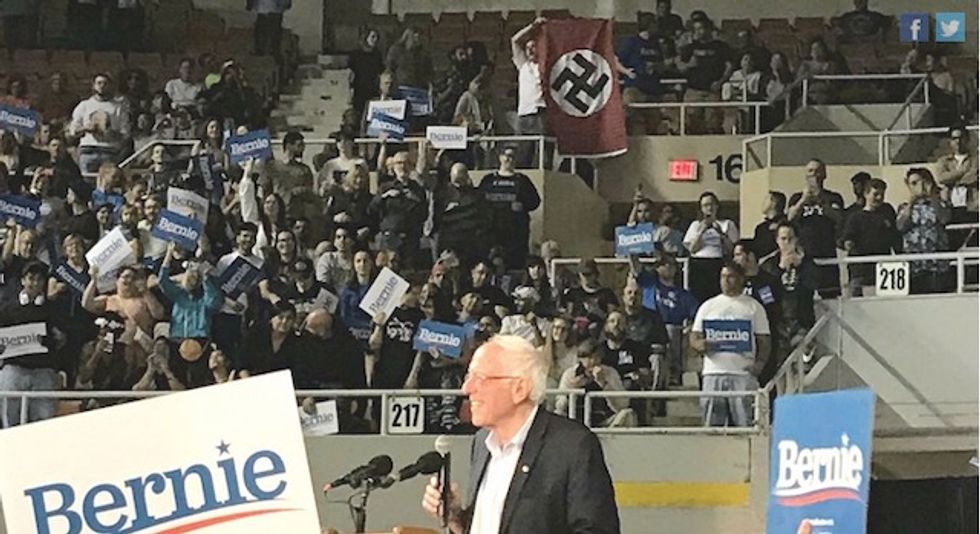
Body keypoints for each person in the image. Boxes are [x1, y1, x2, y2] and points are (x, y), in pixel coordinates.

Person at [421, 335, 621, 533]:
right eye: (468, 377)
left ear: (520, 389)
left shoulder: (572, 445)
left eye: (480, 378)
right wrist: (457, 519)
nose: (467, 388)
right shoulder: (482, 443)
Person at [690, 262, 771, 427]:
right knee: (712, 425)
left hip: (742, 374)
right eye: (723, 277)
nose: (726, 281)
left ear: (741, 279)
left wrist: (760, 365)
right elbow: (694, 336)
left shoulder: (754, 307)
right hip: (713, 373)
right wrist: (700, 344)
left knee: (745, 424)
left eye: (731, 276)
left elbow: (764, 340)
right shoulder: (707, 306)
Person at [0, 262, 63, 426]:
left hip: (44, 369)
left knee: (44, 422)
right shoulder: (6, 308)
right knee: (10, 419)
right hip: (13, 369)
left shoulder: (54, 308)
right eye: (31, 278)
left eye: (39, 279)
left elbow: (60, 339)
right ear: (23, 280)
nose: (34, 283)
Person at [787, 158, 845, 297]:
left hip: (827, 254)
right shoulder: (796, 198)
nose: (814, 174)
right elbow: (790, 218)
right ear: (806, 174)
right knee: (803, 295)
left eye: (818, 171)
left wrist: (821, 200)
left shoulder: (833, 197)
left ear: (824, 174)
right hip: (804, 256)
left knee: (830, 297)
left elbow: (839, 218)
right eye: (811, 171)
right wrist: (803, 200)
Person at [479, 147, 541, 269]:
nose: (509, 159)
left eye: (512, 156)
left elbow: (535, 201)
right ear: (500, 157)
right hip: (491, 234)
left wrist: (523, 205)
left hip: (516, 236)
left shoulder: (523, 180)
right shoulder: (488, 180)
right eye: (506, 155)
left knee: (515, 267)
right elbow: (478, 201)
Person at [761, 223, 818, 354]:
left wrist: (801, 268)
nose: (787, 243)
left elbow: (813, 285)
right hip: (777, 322)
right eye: (783, 239)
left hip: (802, 320)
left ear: (797, 239)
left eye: (791, 238)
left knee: (804, 361)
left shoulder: (808, 263)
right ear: (777, 241)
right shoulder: (769, 265)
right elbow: (764, 293)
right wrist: (780, 269)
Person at [897, 168, 953, 294]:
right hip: (914, 266)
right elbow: (901, 226)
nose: (916, 187)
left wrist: (932, 197)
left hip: (937, 265)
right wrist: (911, 202)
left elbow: (944, 218)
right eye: (912, 183)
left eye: (918, 182)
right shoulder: (904, 207)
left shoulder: (940, 204)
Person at [556, 338, 636, 427]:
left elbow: (623, 404)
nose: (593, 361)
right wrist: (573, 391)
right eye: (589, 358)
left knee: (628, 414)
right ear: (580, 359)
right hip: (576, 423)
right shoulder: (570, 374)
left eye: (597, 357)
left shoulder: (610, 372)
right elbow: (559, 406)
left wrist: (604, 384)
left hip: (605, 421)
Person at [841, 178, 898, 295]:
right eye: (875, 194)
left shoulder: (887, 214)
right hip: (860, 270)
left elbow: (895, 238)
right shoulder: (855, 217)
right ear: (866, 194)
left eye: (882, 194)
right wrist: (848, 244)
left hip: (882, 269)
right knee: (856, 303)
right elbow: (846, 238)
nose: (879, 198)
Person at [678, 18, 732, 134]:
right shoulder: (689, 48)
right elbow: (680, 67)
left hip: (712, 91)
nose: (698, 32)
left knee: (713, 124)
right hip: (694, 90)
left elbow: (729, 67)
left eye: (701, 28)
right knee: (692, 124)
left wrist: (720, 82)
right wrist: (689, 65)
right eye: (695, 29)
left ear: (708, 29)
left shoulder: (721, 47)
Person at [69, 73, 131, 174]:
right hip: (88, 151)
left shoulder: (119, 107)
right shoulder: (84, 105)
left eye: (105, 83)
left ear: (110, 86)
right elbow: (73, 131)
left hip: (109, 151)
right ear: (93, 85)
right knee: (86, 183)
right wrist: (86, 128)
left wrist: (110, 132)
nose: (102, 86)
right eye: (99, 83)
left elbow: (126, 134)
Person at [683, 191, 739, 303]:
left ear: (717, 206)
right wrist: (701, 232)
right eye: (705, 205)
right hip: (699, 263)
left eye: (711, 204)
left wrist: (721, 233)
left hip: (718, 262)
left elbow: (732, 249)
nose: (709, 208)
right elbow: (692, 249)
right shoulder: (695, 225)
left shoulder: (727, 224)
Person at [434, 162, 491, 268]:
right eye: (456, 177)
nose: (458, 181)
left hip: (471, 241)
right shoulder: (442, 194)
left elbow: (485, 218)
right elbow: (437, 219)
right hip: (449, 241)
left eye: (461, 176)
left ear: (467, 176)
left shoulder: (477, 195)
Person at [618, 12, 664, 135]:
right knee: (630, 121)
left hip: (652, 89)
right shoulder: (631, 42)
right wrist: (626, 71)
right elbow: (616, 60)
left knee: (653, 124)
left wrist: (656, 67)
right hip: (635, 88)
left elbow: (661, 62)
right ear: (649, 25)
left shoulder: (656, 43)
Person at [510, 17, 548, 166]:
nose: (531, 50)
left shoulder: (544, 66)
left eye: (534, 47)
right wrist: (531, 26)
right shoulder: (523, 65)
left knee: (543, 154)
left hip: (540, 113)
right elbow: (514, 40)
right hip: (524, 114)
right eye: (528, 48)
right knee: (522, 154)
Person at [936, 125, 978, 249]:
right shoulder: (944, 161)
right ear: (950, 141)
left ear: (967, 139)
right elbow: (942, 178)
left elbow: (974, 176)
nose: (958, 141)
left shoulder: (976, 159)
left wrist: (953, 179)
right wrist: (963, 171)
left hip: (972, 206)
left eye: (961, 138)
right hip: (951, 207)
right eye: (954, 138)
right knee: (953, 243)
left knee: (973, 244)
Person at [349, 28, 385, 120]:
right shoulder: (356, 54)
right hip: (360, 88)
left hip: (373, 88)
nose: (375, 39)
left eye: (377, 37)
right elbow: (351, 72)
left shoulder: (377, 54)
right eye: (372, 37)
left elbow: (380, 70)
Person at [385, 27, 434, 92]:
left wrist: (429, 83)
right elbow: (390, 68)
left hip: (419, 87)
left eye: (419, 37)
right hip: (401, 87)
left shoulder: (423, 53)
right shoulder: (396, 50)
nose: (417, 40)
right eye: (414, 37)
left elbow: (429, 70)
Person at [315, 226, 355, 295]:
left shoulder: (357, 259)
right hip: (330, 297)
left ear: (352, 241)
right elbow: (323, 284)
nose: (342, 240)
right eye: (338, 237)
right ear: (334, 241)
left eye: (345, 237)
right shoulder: (327, 258)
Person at [753, 191, 787, 258]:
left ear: (773, 203)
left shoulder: (785, 225)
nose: (763, 203)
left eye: (766, 199)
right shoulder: (761, 228)